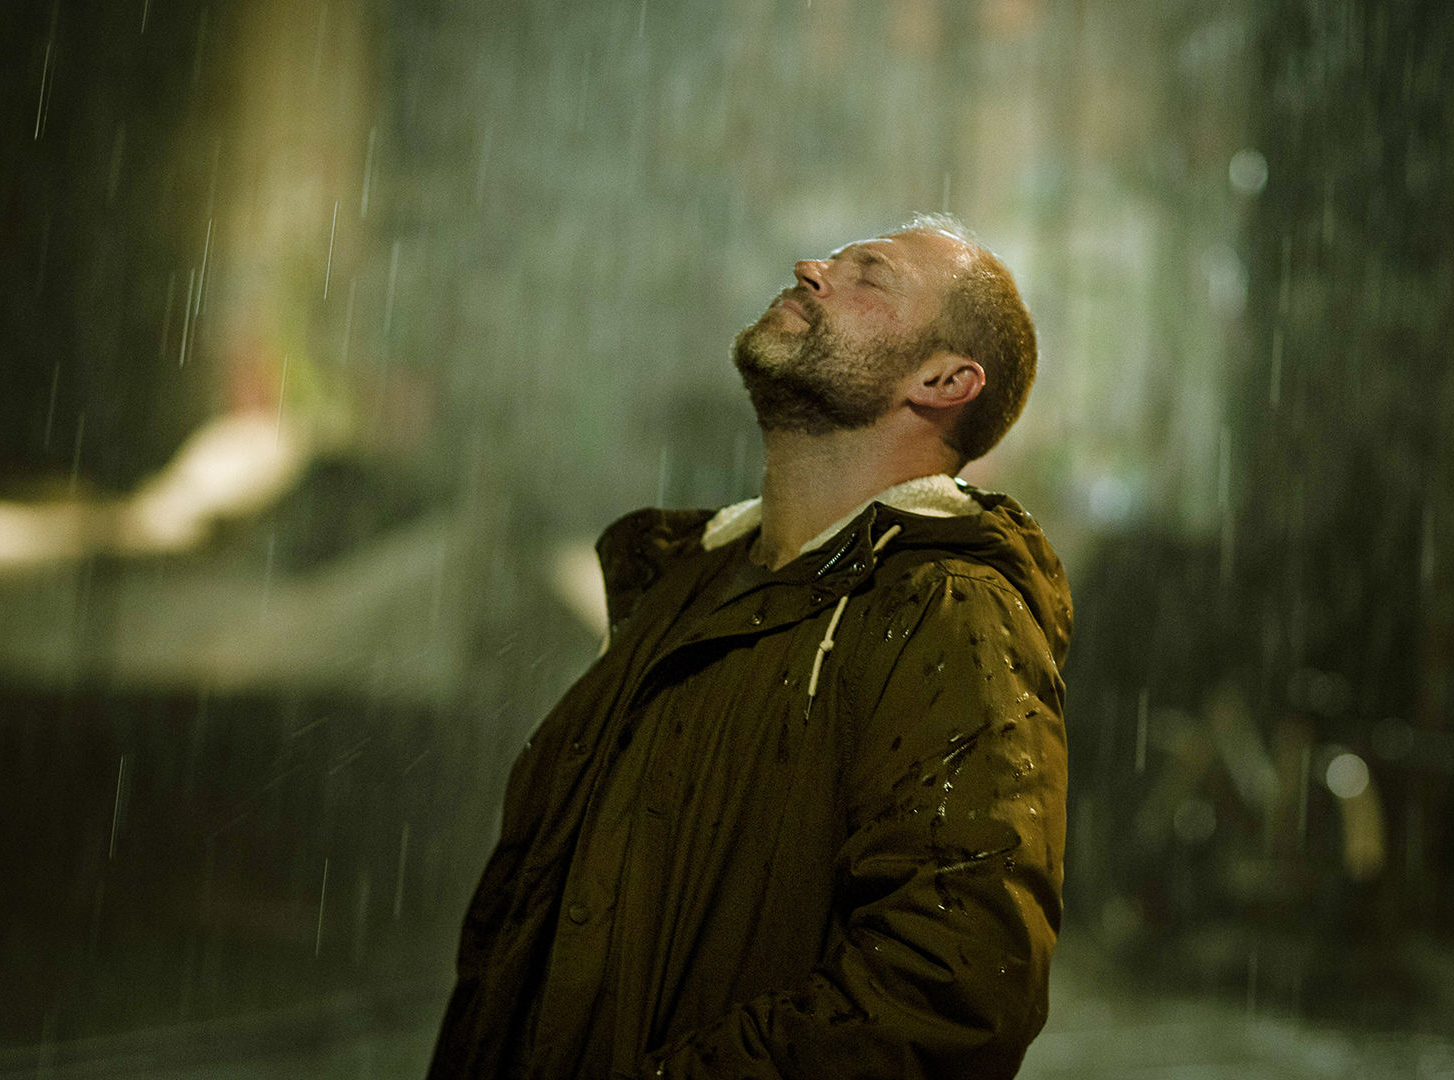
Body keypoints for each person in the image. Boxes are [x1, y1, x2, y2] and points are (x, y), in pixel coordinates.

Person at [427, 214, 1071, 1080]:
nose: (811, 269)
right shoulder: (687, 582)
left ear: (944, 380)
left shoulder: (949, 612)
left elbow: (947, 988)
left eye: (868, 276)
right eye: (831, 259)